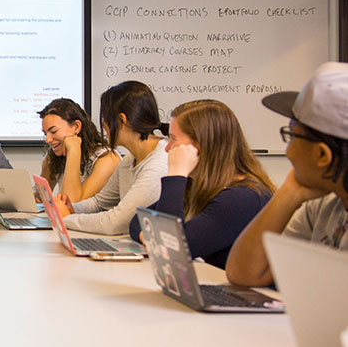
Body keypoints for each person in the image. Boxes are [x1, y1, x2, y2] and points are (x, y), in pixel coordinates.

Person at [225, 62, 348, 287]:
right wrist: (289, 192)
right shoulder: (324, 203)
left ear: (322, 155)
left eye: (291, 136)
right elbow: (245, 274)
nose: (288, 152)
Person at [129, 99, 275, 269]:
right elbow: (138, 220)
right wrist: (149, 237)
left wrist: (176, 173)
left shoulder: (243, 197)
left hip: (254, 294)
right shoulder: (202, 186)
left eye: (173, 139)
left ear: (200, 146)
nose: (167, 149)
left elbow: (172, 249)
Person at [54, 81, 169, 235]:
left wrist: (66, 219)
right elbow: (99, 203)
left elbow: (115, 223)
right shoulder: (130, 158)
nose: (104, 126)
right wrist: (72, 208)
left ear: (122, 121)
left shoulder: (158, 165)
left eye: (105, 119)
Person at [38, 98, 120, 203]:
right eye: (45, 134)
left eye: (53, 131)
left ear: (76, 127)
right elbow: (39, 196)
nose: (48, 140)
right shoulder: (54, 158)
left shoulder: (107, 159)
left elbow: (72, 204)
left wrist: (74, 151)